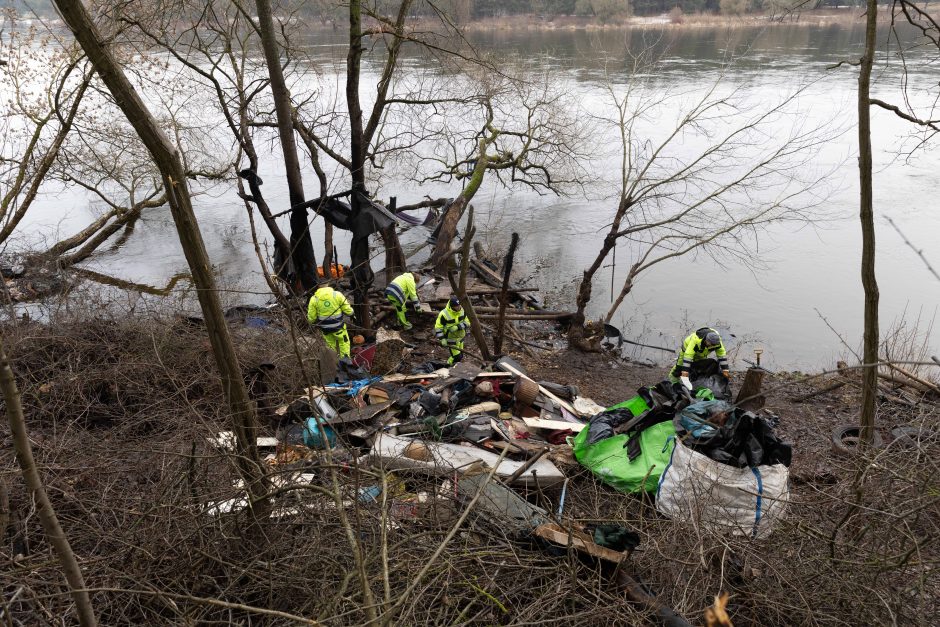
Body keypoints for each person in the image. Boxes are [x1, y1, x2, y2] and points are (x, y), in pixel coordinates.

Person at [307, 285, 354, 358]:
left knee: (330, 346)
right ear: (328, 285)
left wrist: (313, 322)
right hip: (339, 328)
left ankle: (333, 363)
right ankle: (345, 362)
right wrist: (352, 313)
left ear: (318, 287)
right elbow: (348, 310)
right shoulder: (337, 294)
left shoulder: (314, 299)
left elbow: (311, 318)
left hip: (326, 329)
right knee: (344, 343)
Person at [434, 296, 470, 365]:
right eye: (457, 306)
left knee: (461, 356)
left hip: (461, 337)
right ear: (452, 306)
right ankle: (448, 364)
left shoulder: (463, 310)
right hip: (451, 339)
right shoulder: (443, 314)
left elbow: (468, 322)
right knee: (457, 357)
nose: (459, 307)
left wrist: (458, 327)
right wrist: (442, 339)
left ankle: (455, 365)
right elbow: (438, 327)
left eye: (460, 305)